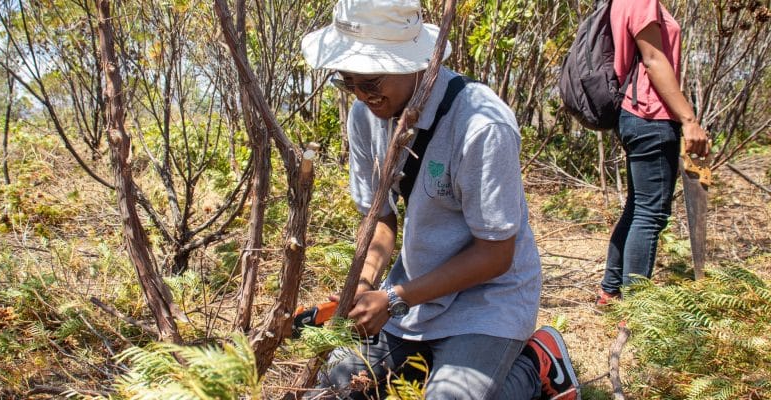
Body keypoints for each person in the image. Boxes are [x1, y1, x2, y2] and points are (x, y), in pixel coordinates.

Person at [300, 0, 580, 399]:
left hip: (487, 301)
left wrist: (394, 300)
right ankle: (430, 362)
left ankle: (537, 364)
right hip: (413, 294)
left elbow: (496, 254)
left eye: (372, 83)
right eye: (349, 82)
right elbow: (380, 218)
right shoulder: (365, 117)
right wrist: (367, 283)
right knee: (338, 387)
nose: (362, 96)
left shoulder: (482, 125)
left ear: (410, 63)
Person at [597, 0, 710, 305]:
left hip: (634, 113)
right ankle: (636, 309)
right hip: (651, 115)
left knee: (638, 207)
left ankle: (611, 291)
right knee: (650, 213)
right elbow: (653, 58)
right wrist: (689, 119)